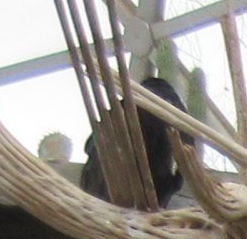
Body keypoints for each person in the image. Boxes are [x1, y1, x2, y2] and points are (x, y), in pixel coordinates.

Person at [79, 76, 187, 204]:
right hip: (146, 198)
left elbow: (90, 146)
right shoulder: (179, 118)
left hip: (97, 192)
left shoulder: (118, 110)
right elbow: (180, 173)